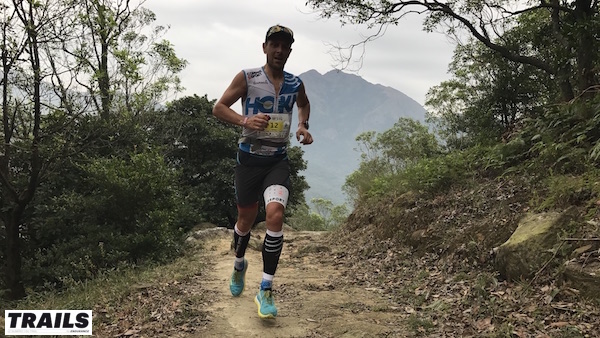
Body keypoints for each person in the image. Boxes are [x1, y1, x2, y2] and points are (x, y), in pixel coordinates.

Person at [212, 24, 313, 319]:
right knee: (245, 219)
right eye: (275, 45)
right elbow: (219, 108)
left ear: (290, 51)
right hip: (249, 161)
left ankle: (266, 288)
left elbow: (304, 104)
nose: (279, 50)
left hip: (277, 162)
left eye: (285, 46)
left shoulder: (295, 83)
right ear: (265, 48)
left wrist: (303, 125)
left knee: (275, 215)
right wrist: (245, 121)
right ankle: (239, 264)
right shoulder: (248, 78)